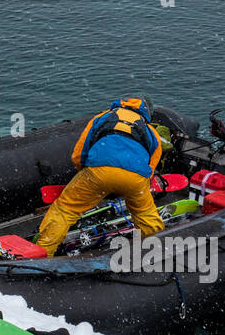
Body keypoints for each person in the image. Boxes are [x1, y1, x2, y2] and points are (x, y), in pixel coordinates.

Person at [35, 97, 165, 256]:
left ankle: (43, 253)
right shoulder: (151, 131)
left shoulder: (103, 117)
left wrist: (87, 176)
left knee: (65, 209)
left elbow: (79, 154)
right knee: (145, 215)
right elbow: (150, 169)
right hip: (135, 179)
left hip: (98, 172)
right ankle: (157, 250)